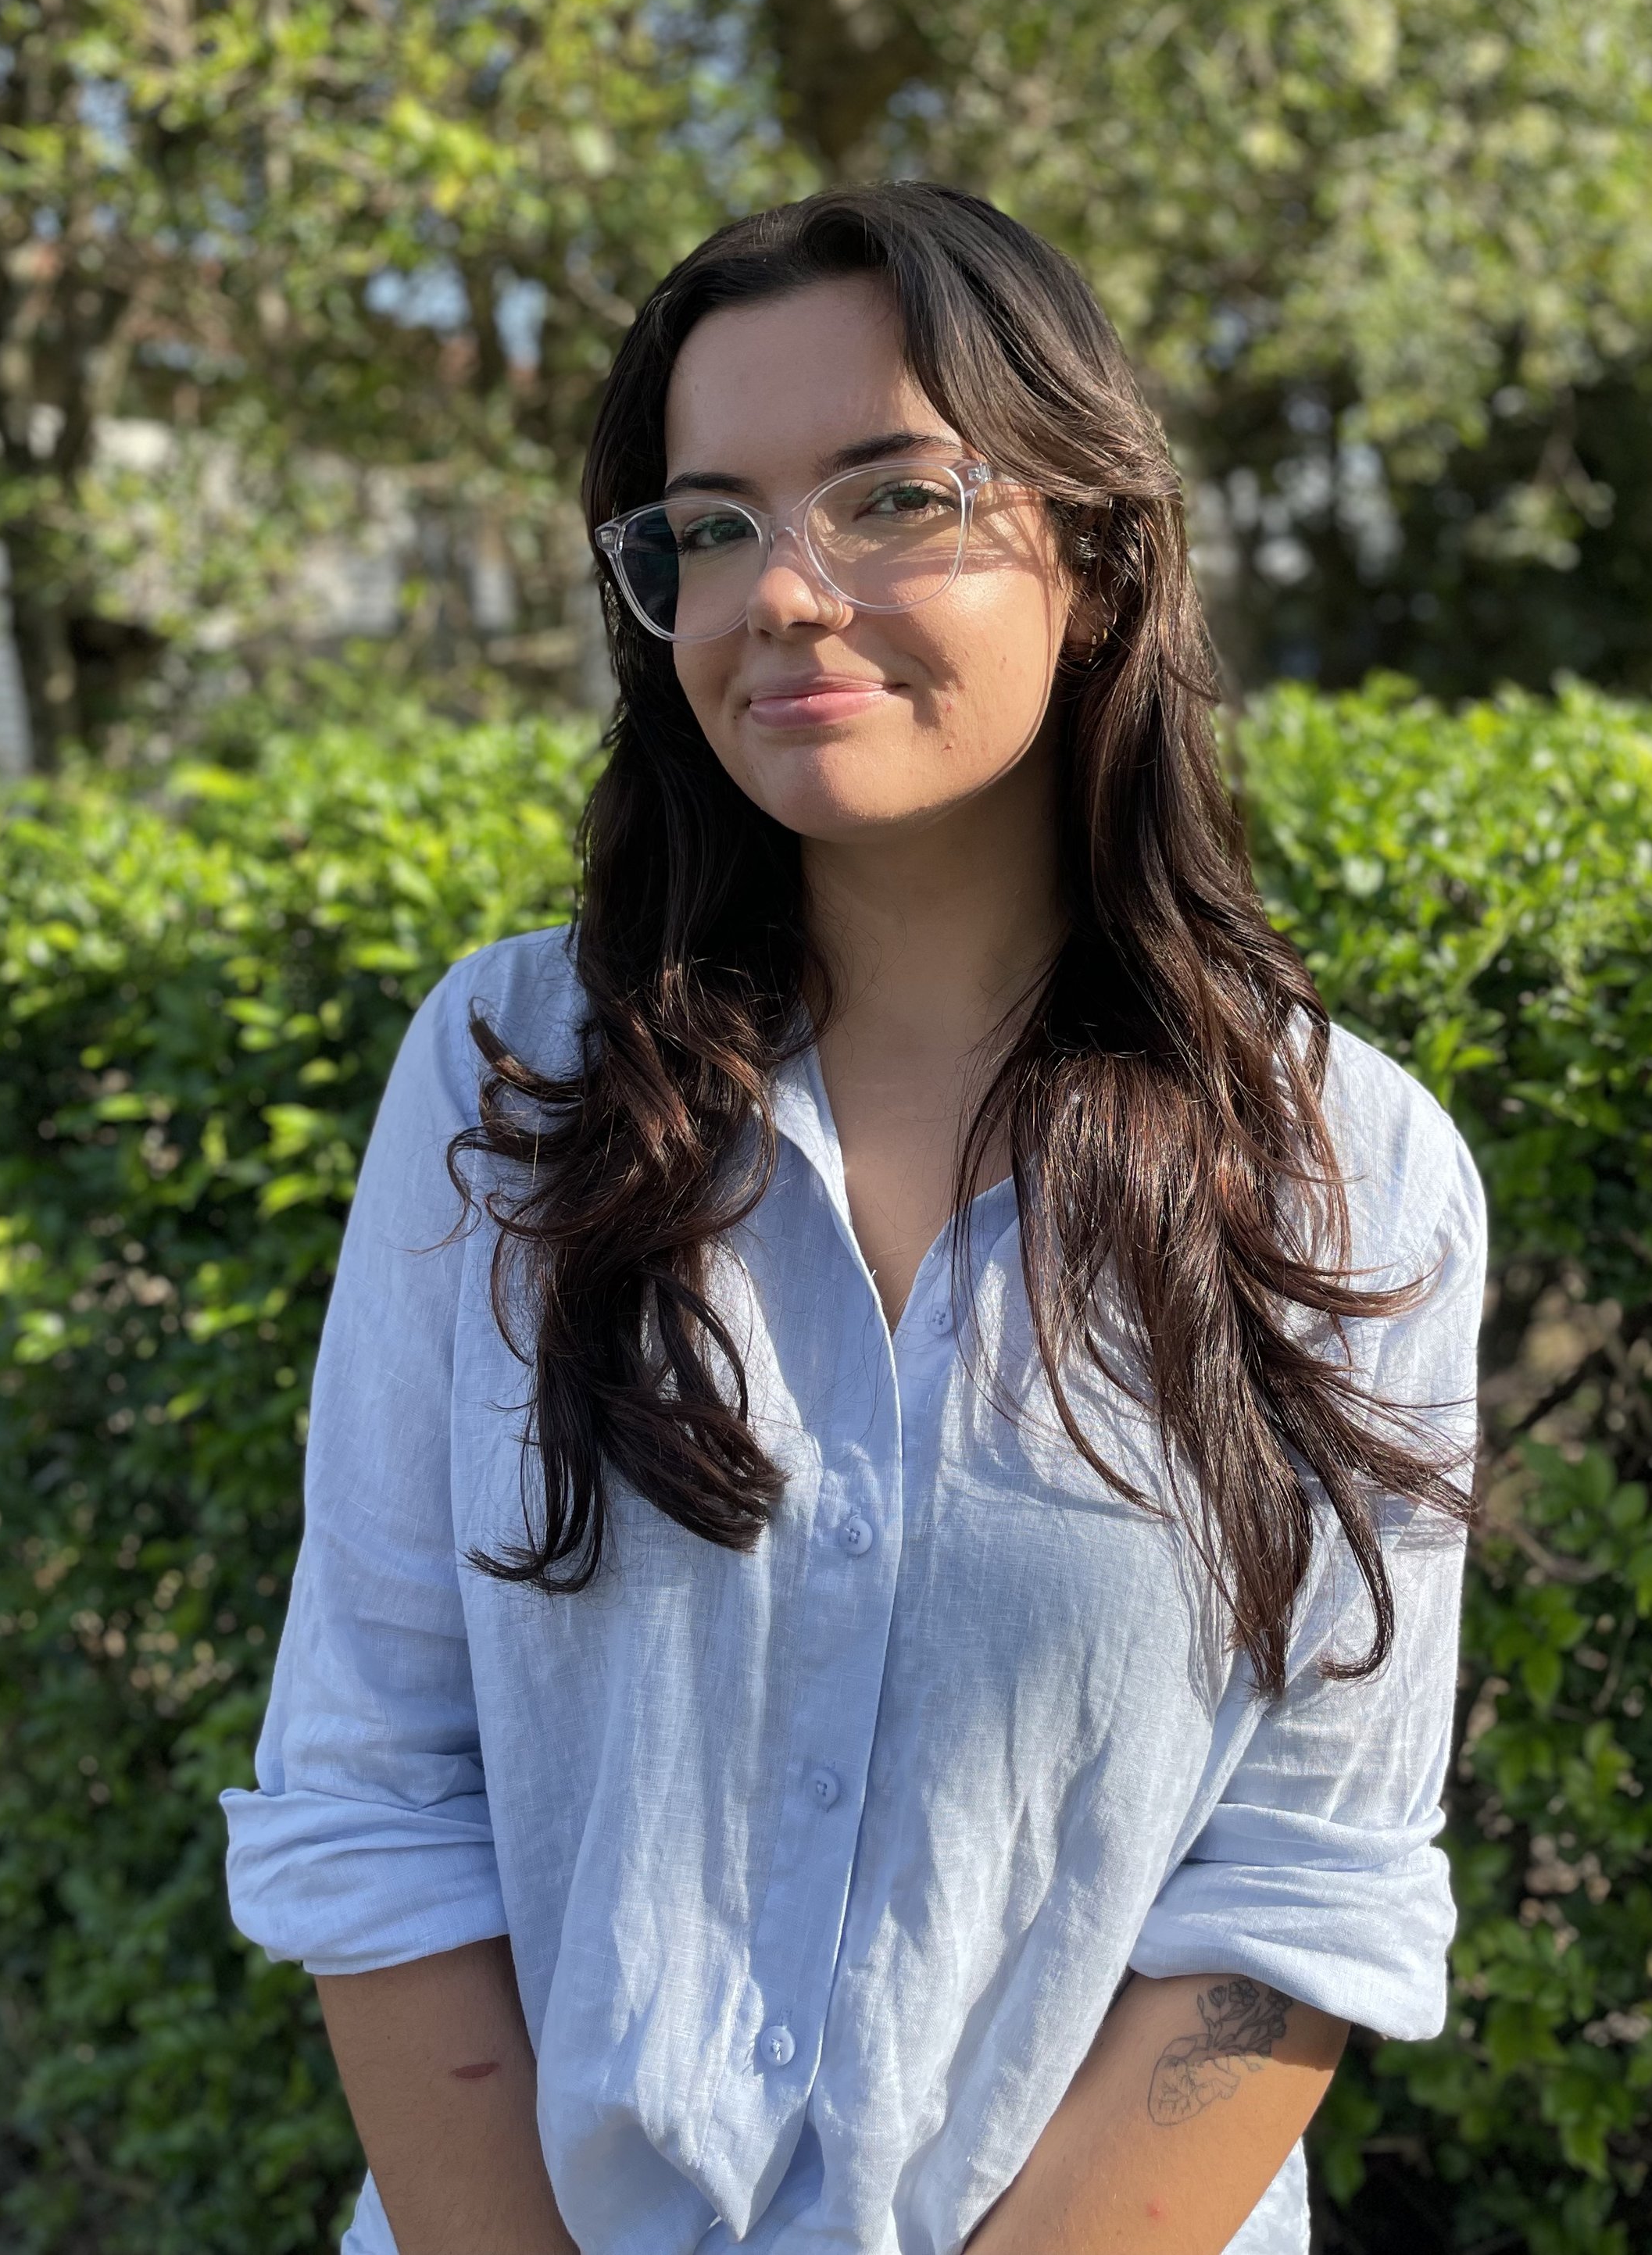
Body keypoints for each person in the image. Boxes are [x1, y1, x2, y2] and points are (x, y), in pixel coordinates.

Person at [222, 184, 1485, 2255]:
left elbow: (1297, 1879)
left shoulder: (1345, 1172)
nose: (780, 594)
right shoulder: (506, 1082)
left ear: (1092, 550)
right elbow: (374, 1776)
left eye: (889, 499)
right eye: (705, 527)